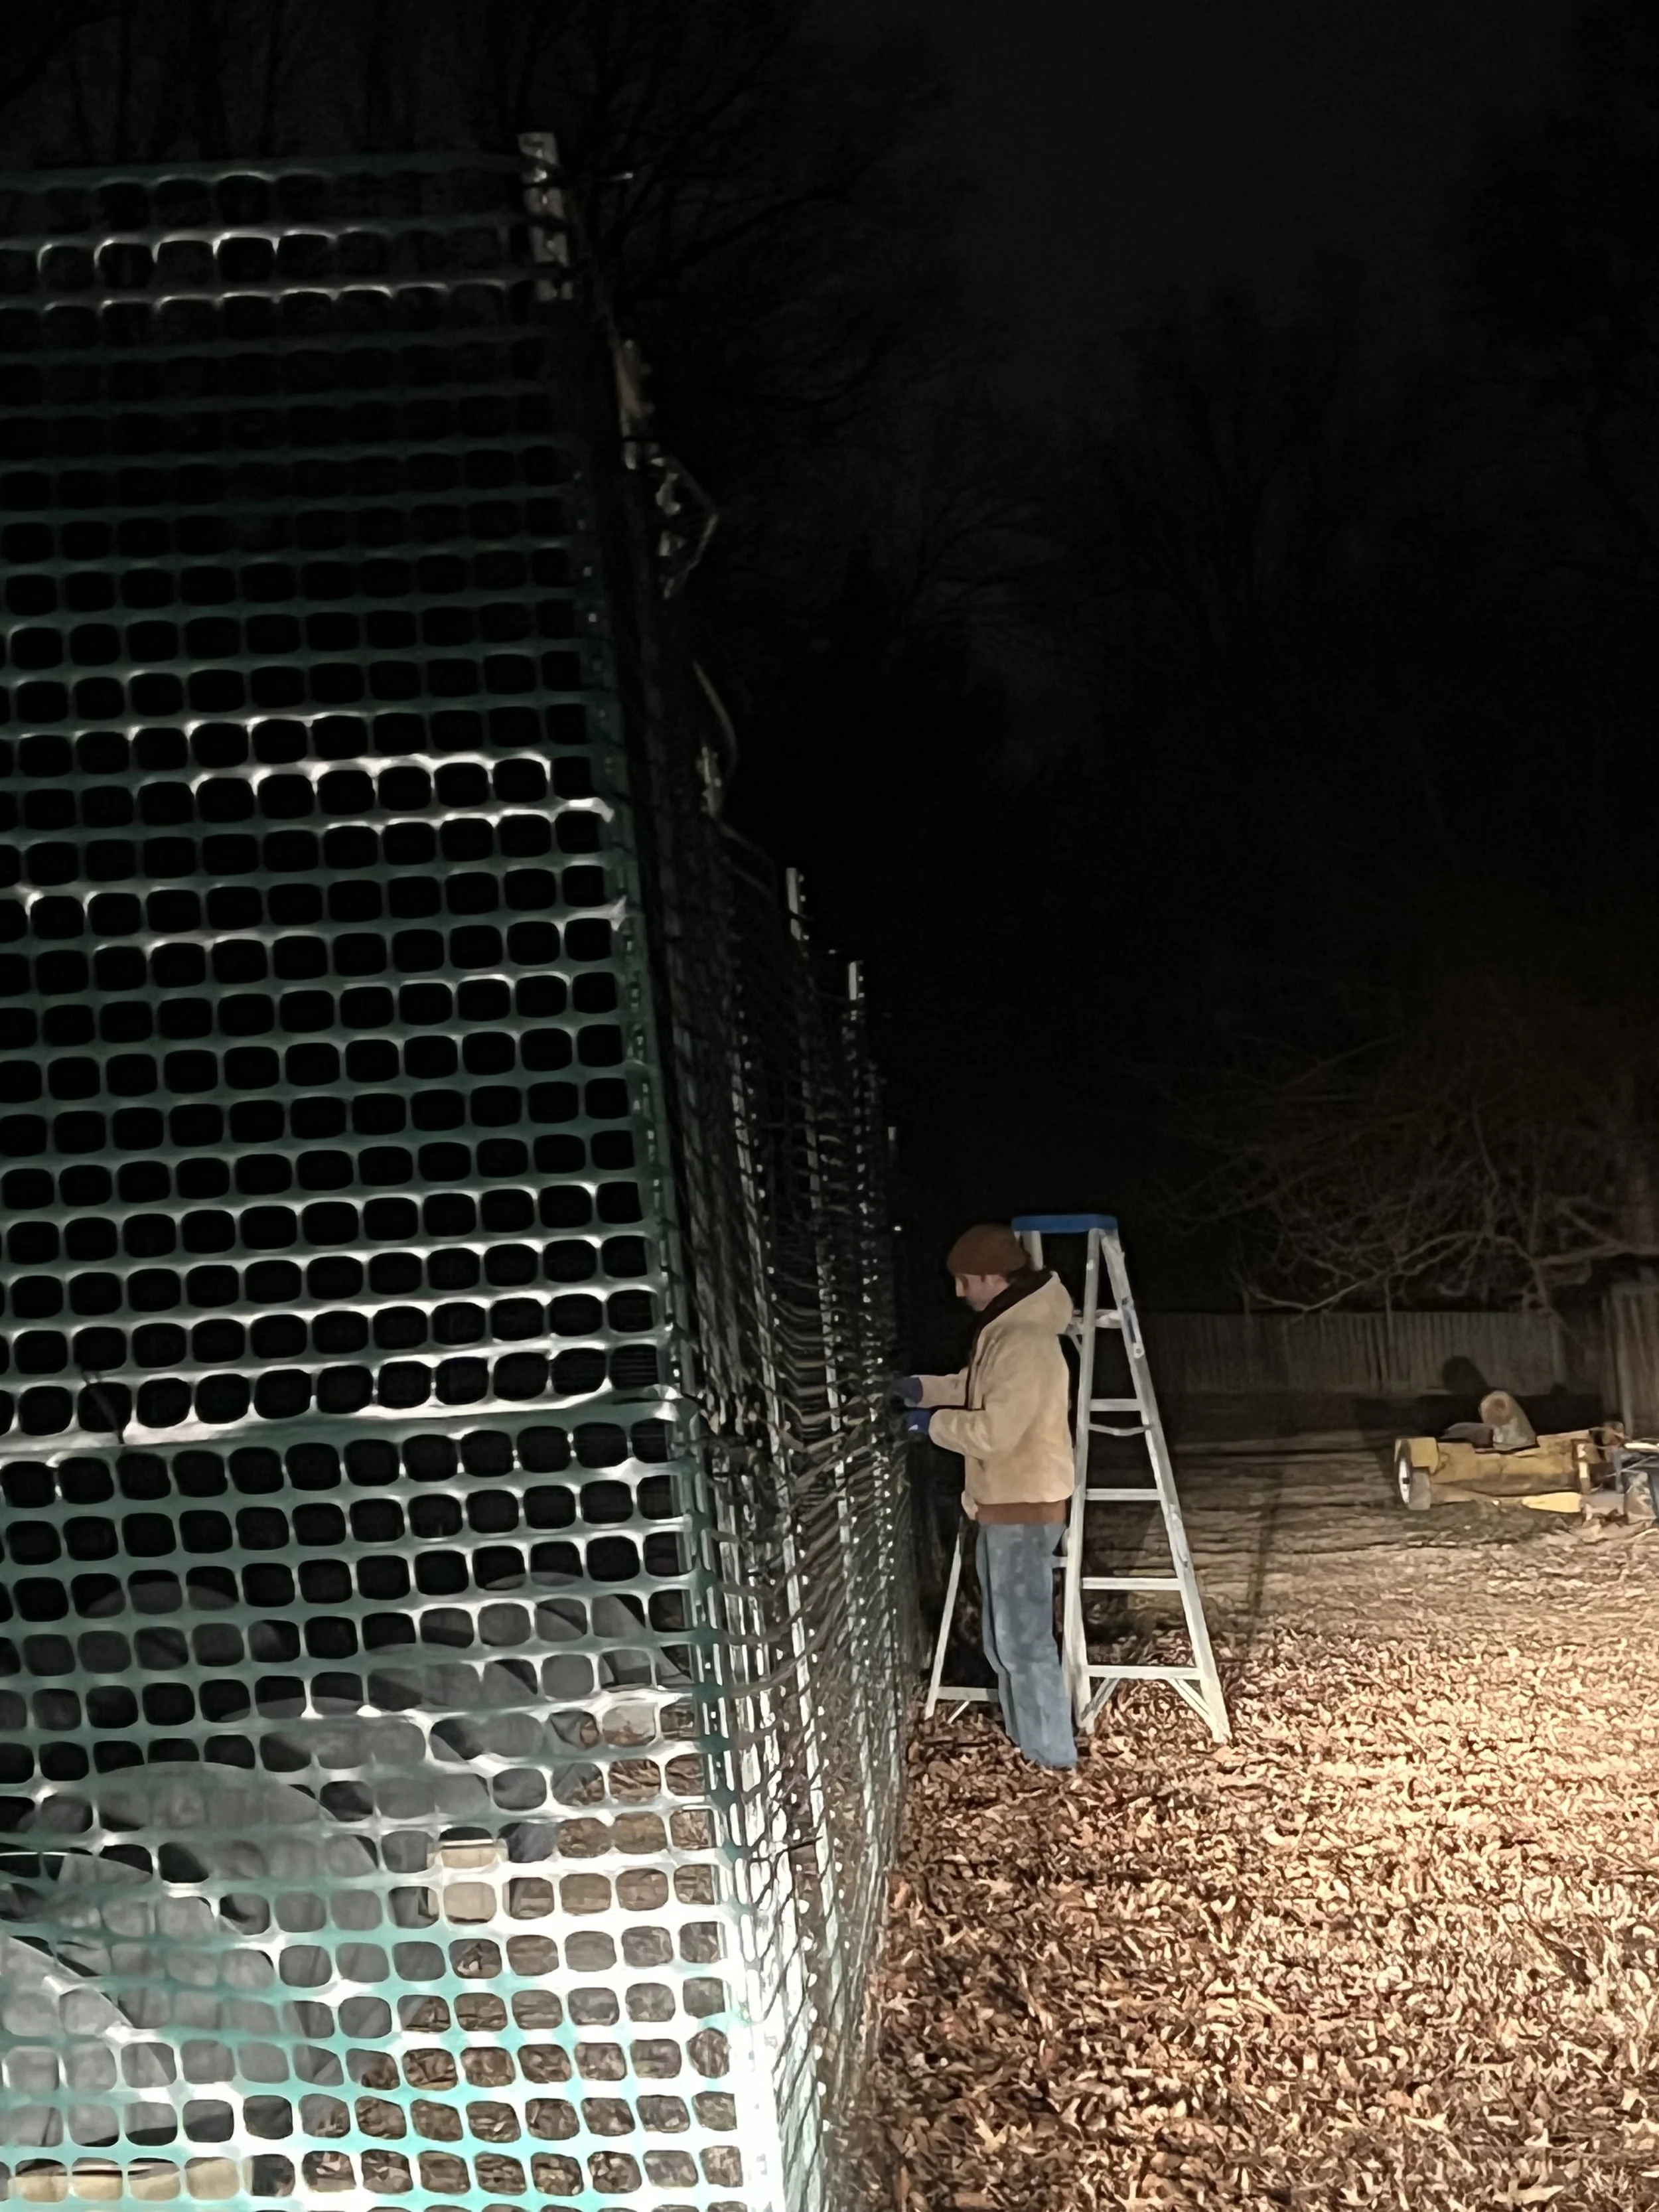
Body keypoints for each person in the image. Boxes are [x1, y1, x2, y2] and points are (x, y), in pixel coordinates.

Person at [901, 1223, 1078, 1769]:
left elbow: (996, 1430)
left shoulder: (1024, 1340)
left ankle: (1052, 1758)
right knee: (1007, 1644)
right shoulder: (1008, 1330)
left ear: (990, 1277)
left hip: (1022, 1507)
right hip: (1006, 1505)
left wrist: (930, 1426)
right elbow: (974, 1386)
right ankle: (1036, 1751)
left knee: (1022, 1643)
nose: (960, 1293)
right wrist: (923, 1390)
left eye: (964, 1281)